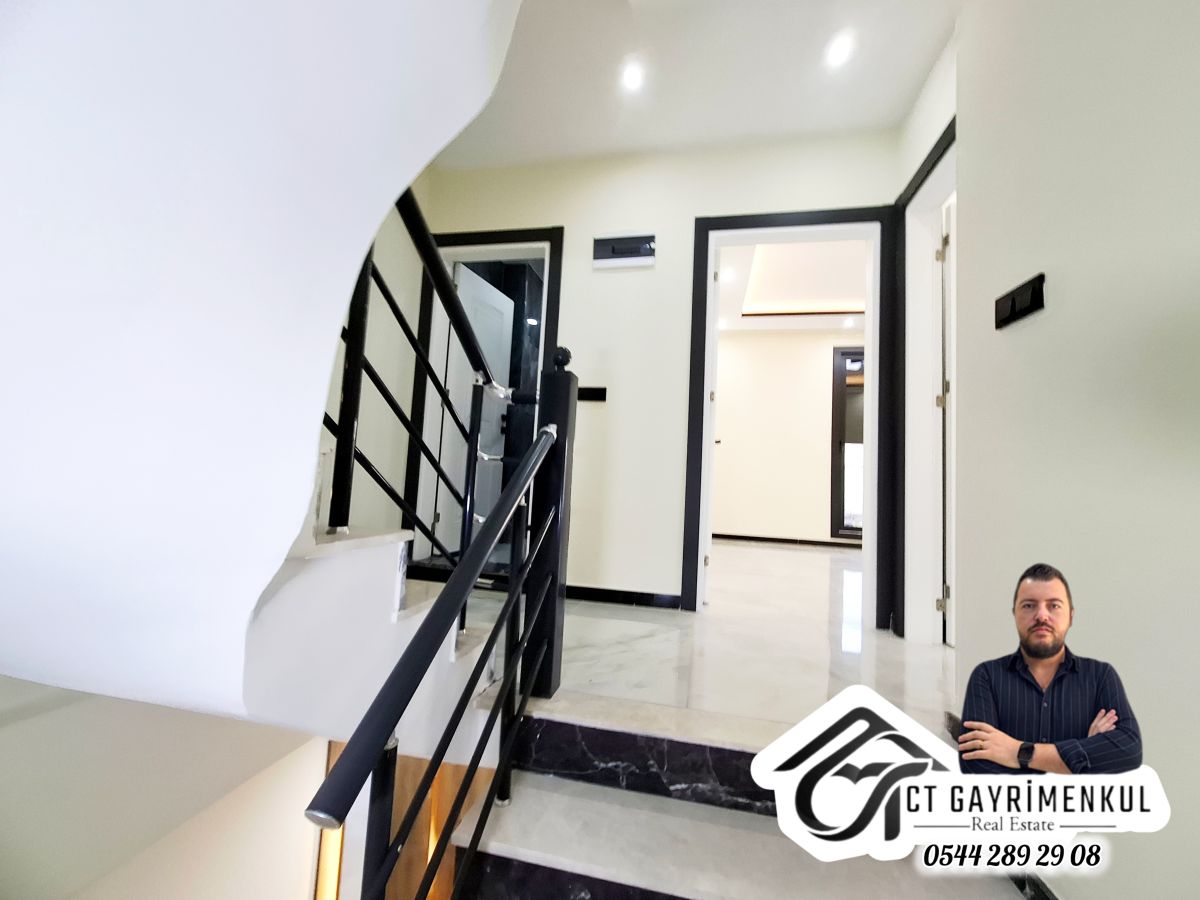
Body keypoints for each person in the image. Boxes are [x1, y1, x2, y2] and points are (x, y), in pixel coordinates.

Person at [958, 563, 1142, 774]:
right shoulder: (987, 677)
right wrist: (1083, 757)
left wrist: (1017, 752)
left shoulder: (1100, 676)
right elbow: (974, 765)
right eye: (1029, 605)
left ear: (1071, 616)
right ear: (1014, 613)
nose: (1041, 616)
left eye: (1054, 606)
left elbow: (1129, 749)